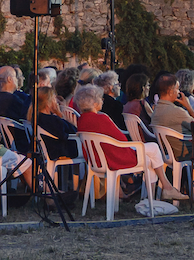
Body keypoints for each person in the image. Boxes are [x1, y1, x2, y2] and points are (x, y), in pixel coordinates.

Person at [70, 83, 187, 212]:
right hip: (114, 159)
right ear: (95, 102)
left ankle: (160, 193)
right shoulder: (101, 118)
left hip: (96, 161)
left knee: (151, 158)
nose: (102, 101)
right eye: (100, 98)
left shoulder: (82, 120)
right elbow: (121, 140)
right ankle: (163, 191)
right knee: (153, 149)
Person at [148, 74, 194, 161]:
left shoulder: (156, 111)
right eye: (177, 89)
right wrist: (189, 108)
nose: (179, 92)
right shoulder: (177, 112)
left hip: (169, 154)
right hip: (187, 152)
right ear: (170, 92)